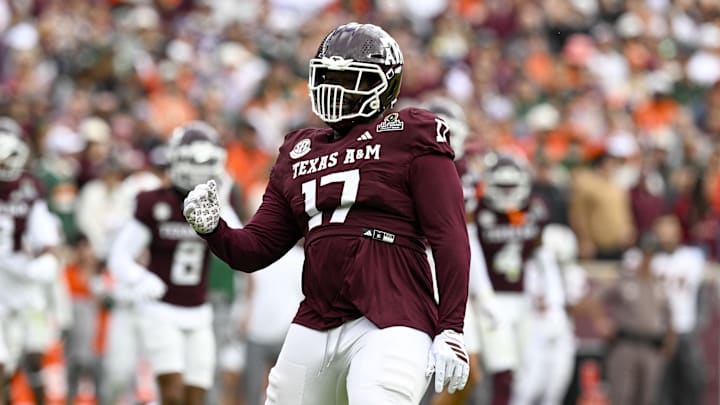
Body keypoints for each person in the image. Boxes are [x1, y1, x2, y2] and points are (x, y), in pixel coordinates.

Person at [183, 22, 471, 405]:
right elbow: (255, 248)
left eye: (349, 78)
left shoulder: (410, 132)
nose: (334, 88)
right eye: (328, 76)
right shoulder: (299, 150)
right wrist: (213, 227)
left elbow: (449, 235)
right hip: (316, 318)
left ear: (383, 85)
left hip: (393, 314)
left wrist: (451, 326)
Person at [108, 121, 242, 405]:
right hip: (161, 309)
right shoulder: (154, 202)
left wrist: (225, 201)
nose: (200, 168)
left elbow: (240, 247)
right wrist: (141, 278)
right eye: (193, 160)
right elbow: (119, 255)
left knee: (195, 398)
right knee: (172, 394)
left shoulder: (216, 202)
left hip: (199, 310)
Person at [471, 151, 548, 405]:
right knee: (502, 368)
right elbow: (473, 257)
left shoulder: (532, 211)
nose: (506, 192)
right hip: (492, 297)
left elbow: (536, 255)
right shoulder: (478, 212)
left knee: (524, 368)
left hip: (522, 298)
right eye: (501, 186)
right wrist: (483, 295)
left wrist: (540, 290)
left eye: (511, 186)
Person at [0, 117, 63, 405]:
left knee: (36, 354)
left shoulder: (29, 185)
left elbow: (46, 237)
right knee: (3, 364)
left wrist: (47, 259)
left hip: (24, 280)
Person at [651, 215, 706, 405]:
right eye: (662, 231)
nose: (666, 236)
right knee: (660, 390)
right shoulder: (647, 260)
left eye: (670, 231)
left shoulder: (691, 257)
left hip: (684, 330)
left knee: (692, 383)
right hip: (658, 332)